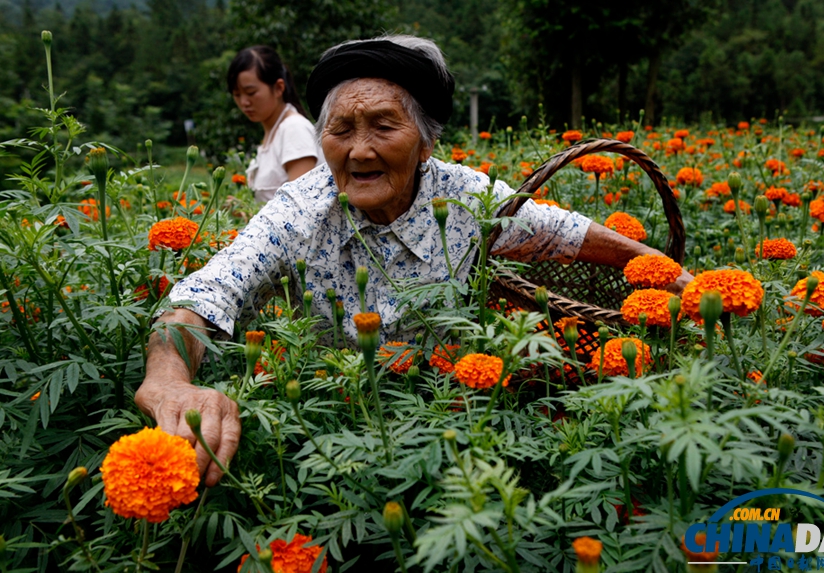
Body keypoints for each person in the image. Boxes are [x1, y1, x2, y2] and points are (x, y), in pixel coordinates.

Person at [136, 35, 694, 486]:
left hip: (452, 424)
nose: (359, 150)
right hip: (335, 437)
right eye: (342, 130)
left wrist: (679, 278)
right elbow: (203, 294)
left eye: (383, 126)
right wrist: (169, 379)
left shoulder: (466, 198)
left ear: (426, 144)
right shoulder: (298, 211)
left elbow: (565, 235)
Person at [228, 46, 324, 202]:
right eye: (237, 95)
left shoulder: (294, 129)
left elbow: (302, 207)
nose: (244, 102)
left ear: (279, 88)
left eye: (251, 92)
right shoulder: (272, 132)